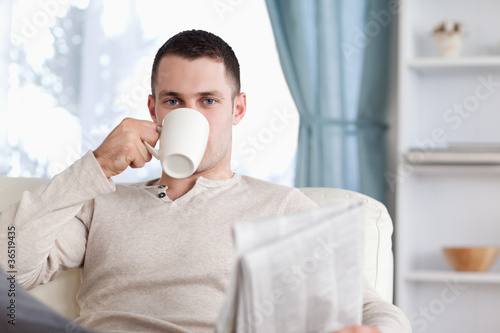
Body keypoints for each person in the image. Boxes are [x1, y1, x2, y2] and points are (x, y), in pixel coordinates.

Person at [0, 30, 410, 333]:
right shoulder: (99, 200)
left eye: (208, 101)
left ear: (238, 108)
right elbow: (9, 265)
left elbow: (372, 308)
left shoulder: (280, 207)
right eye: (174, 101)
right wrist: (96, 166)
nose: (189, 115)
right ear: (153, 109)